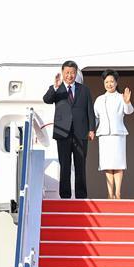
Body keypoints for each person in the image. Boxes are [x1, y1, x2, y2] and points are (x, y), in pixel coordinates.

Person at [43, 61, 95, 199]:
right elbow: (47, 99)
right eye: (67, 72)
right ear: (62, 72)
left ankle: (81, 195)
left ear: (76, 73)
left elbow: (90, 110)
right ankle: (65, 195)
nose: (69, 75)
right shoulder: (57, 88)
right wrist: (55, 87)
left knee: (80, 165)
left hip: (81, 132)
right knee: (64, 165)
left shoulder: (84, 89)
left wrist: (91, 129)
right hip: (63, 133)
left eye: (72, 73)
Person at [93, 69, 133, 199]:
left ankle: (118, 193)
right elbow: (95, 118)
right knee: (108, 166)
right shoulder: (99, 99)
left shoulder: (121, 97)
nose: (109, 84)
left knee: (118, 165)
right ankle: (110, 194)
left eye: (111, 81)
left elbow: (129, 111)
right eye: (106, 82)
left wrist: (127, 102)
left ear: (116, 83)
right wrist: (91, 130)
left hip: (118, 135)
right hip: (104, 135)